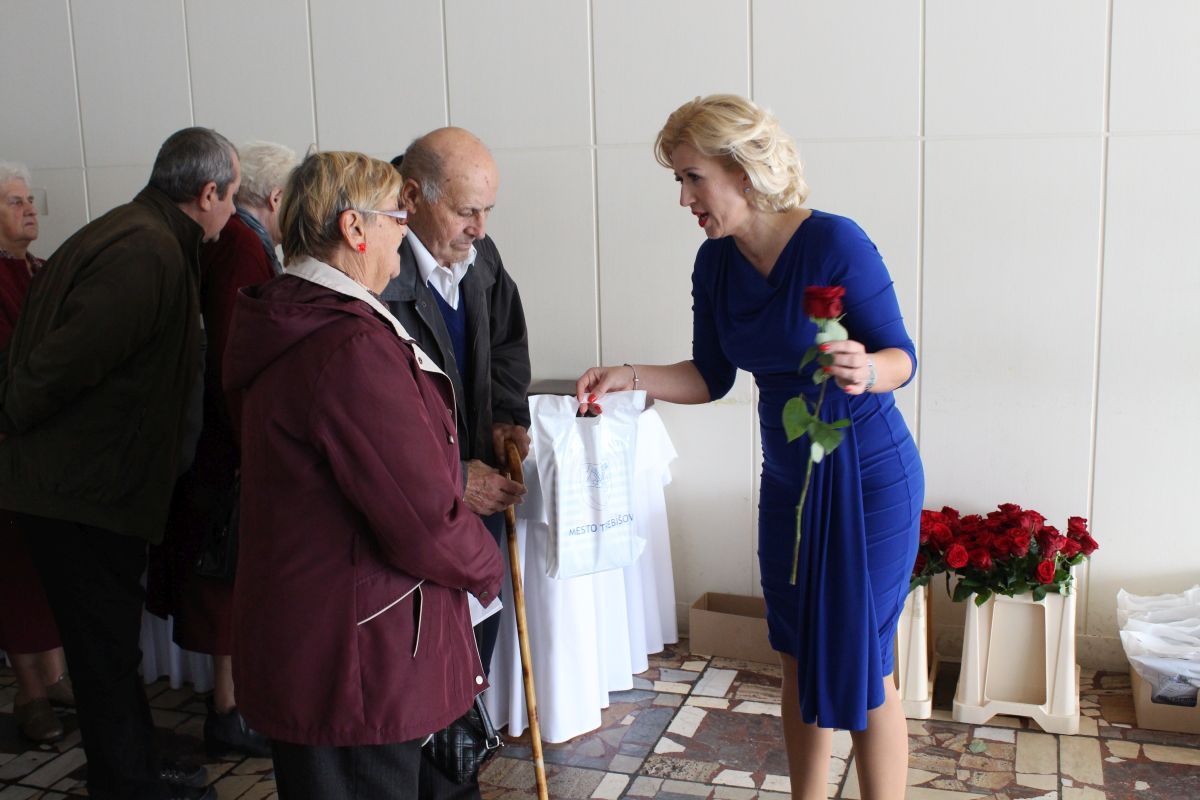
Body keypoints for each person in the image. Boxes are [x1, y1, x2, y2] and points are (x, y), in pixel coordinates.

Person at [576, 95, 924, 800]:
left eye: (692, 177)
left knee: (865, 655)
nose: (684, 199)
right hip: (790, 484)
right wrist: (630, 377)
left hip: (868, 480)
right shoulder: (715, 265)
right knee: (793, 649)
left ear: (742, 170)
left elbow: (902, 357)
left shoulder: (834, 243)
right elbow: (711, 376)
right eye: (678, 180)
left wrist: (866, 369)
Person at [224, 151, 505, 799]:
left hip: (324, 631)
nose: (404, 237)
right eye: (397, 220)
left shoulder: (300, 317)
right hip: (355, 653)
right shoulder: (346, 345)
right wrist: (485, 566)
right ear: (355, 228)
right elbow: (421, 518)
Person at [0, 127, 241, 800]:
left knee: (108, 644)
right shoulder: (146, 249)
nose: (233, 210)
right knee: (103, 647)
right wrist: (12, 415)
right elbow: (62, 363)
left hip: (88, 486)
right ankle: (125, 782)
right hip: (80, 490)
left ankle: (133, 766)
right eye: (232, 196)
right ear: (207, 193)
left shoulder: (141, 233)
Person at [147, 140, 297, 759]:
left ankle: (236, 708)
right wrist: (254, 445)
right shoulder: (241, 244)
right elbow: (238, 356)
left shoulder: (238, 240)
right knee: (230, 579)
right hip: (230, 443)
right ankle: (232, 711)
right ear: (278, 199)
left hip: (221, 437)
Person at [0, 160, 74, 744]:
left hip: (54, 449)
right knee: (16, 571)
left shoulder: (44, 270)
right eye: (13, 201)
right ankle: (30, 692)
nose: (28, 209)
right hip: (9, 447)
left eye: (29, 200)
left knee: (53, 565)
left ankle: (55, 676)